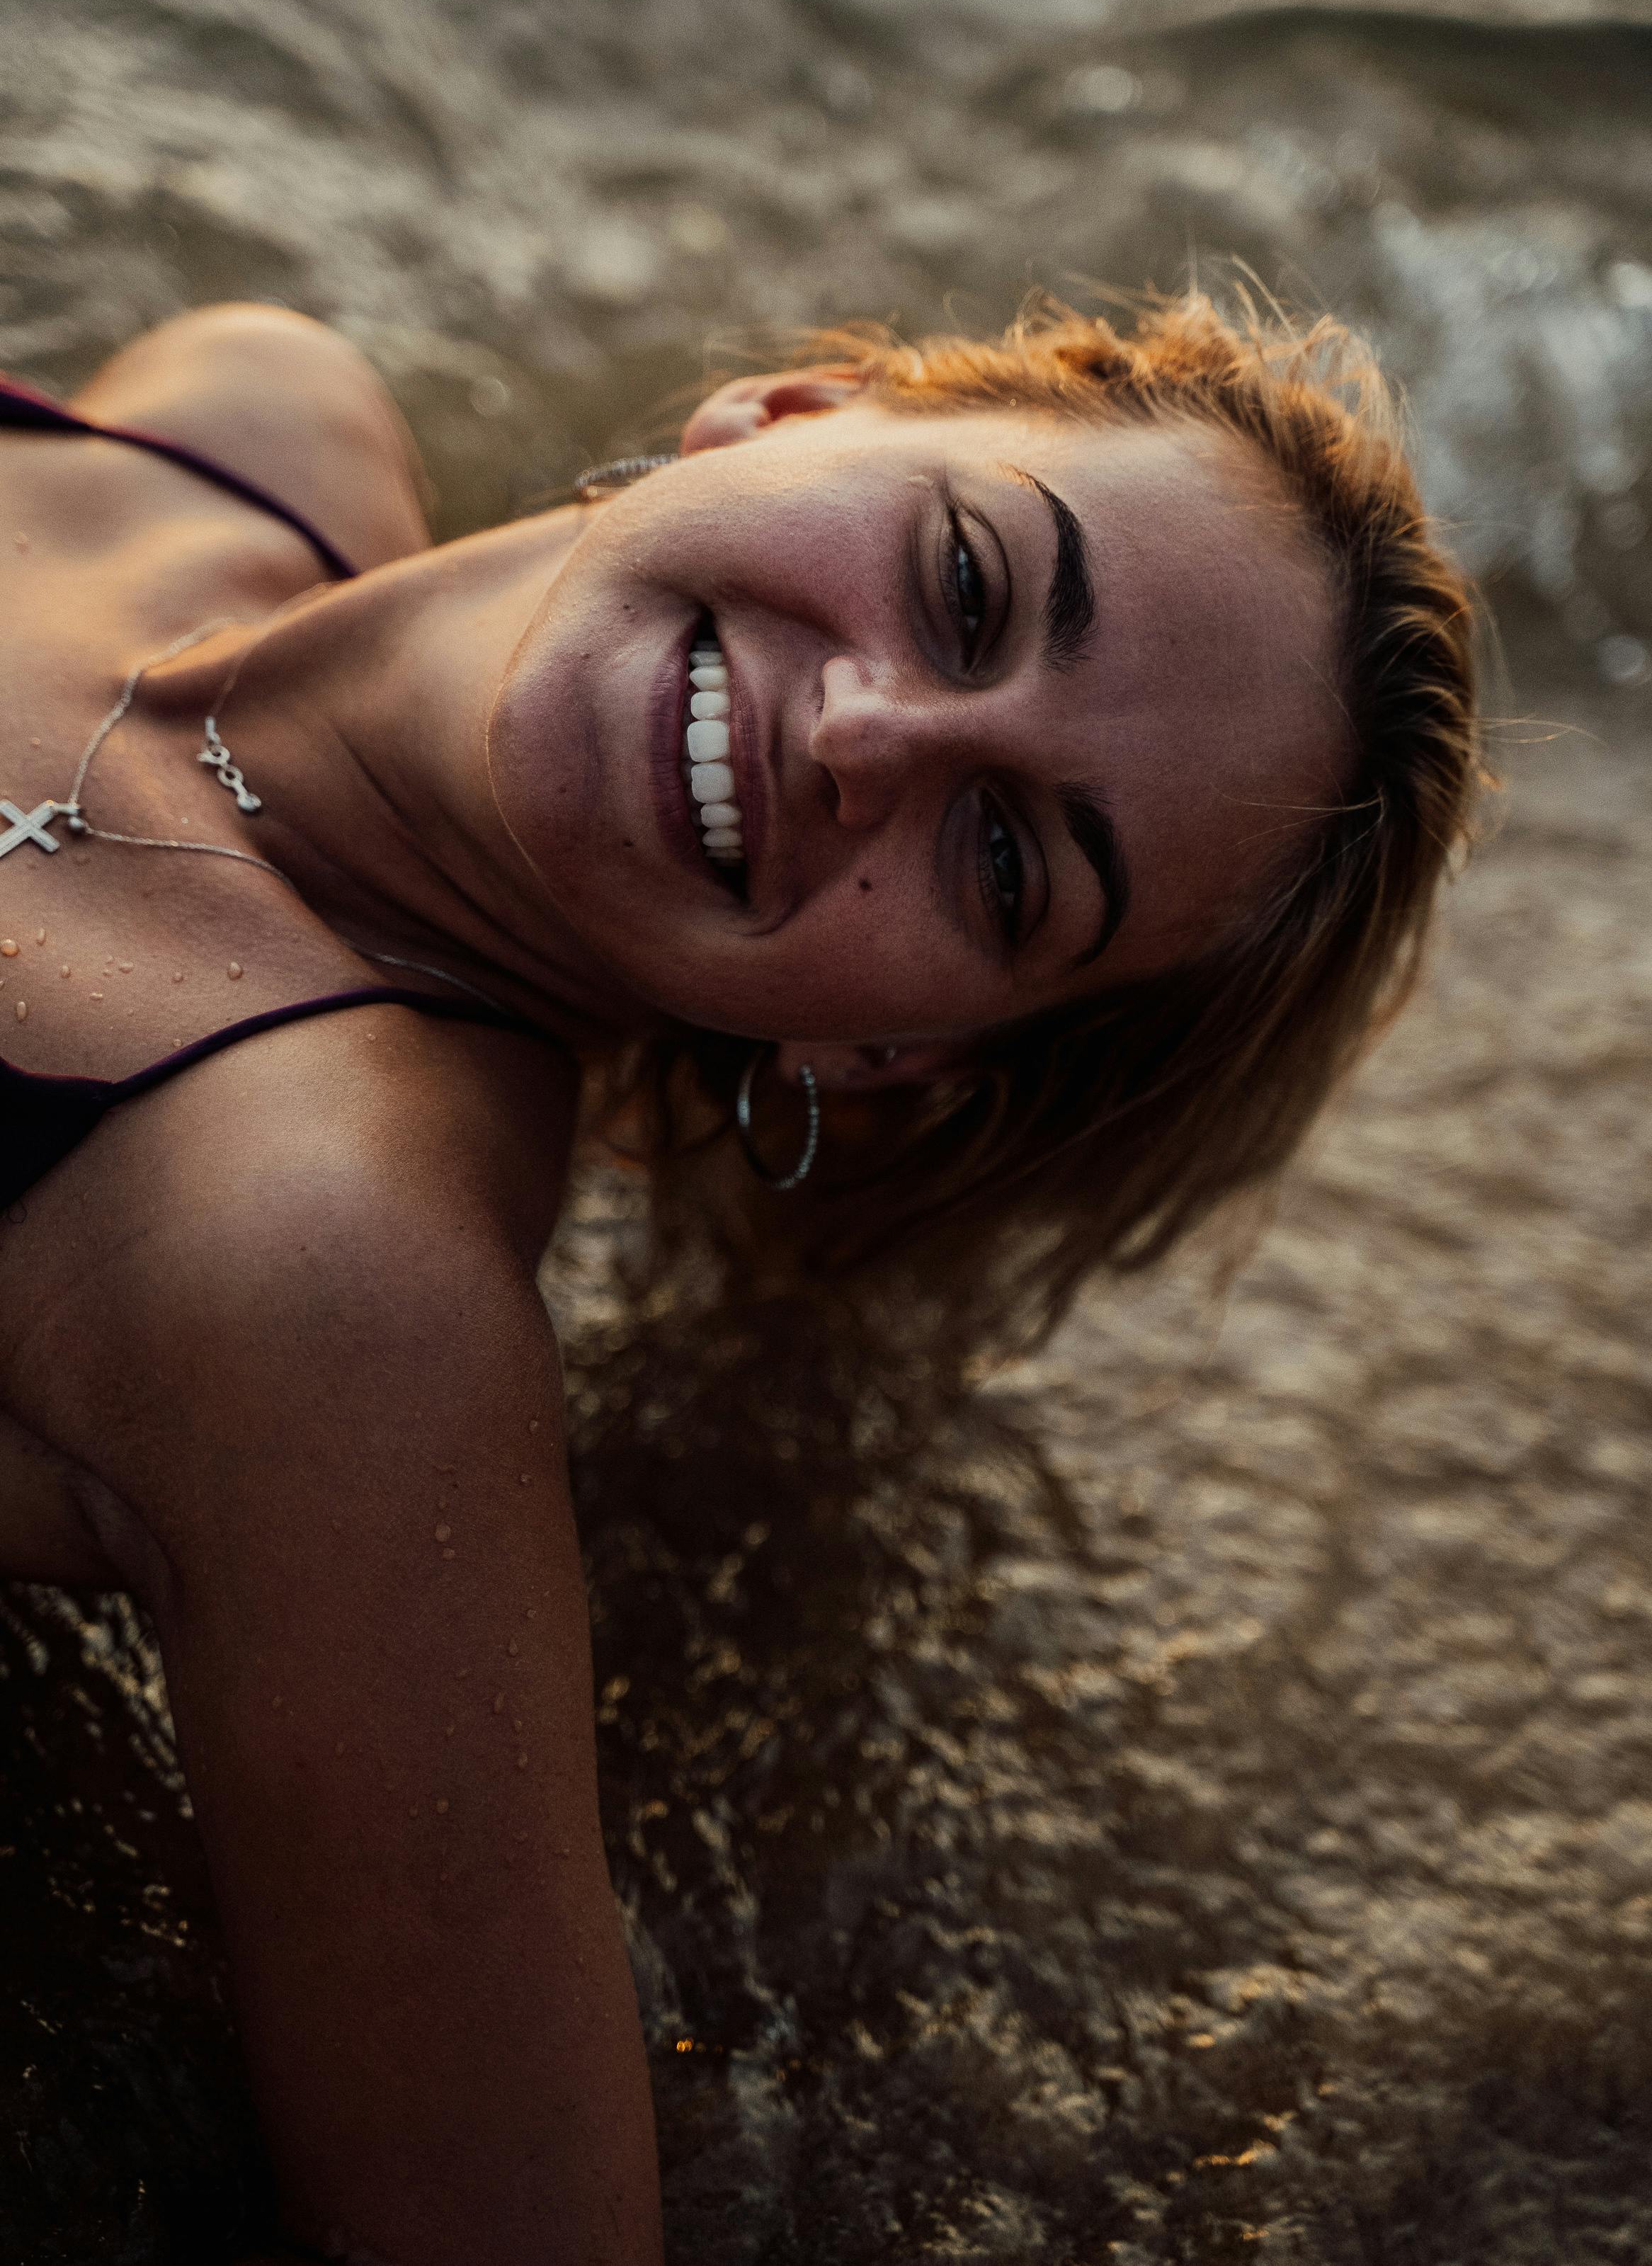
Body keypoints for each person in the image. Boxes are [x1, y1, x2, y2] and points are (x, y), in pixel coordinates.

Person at [0, 292, 1479, 2263]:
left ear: (888, 1055)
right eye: (966, 580)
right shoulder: (251, 409)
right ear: (790, 410)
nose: (867, 734)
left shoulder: (327, 1282)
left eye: (1010, 867)